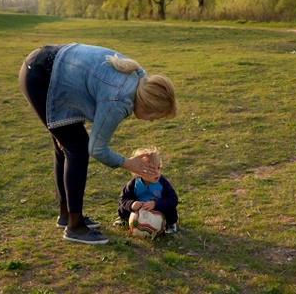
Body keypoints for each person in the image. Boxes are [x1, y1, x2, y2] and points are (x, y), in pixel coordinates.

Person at [18, 43, 177, 245]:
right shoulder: (119, 101)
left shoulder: (144, 81)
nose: (152, 121)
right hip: (41, 76)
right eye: (155, 116)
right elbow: (97, 149)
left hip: (45, 64)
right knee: (77, 148)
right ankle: (74, 227)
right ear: (147, 104)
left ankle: (67, 215)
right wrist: (128, 163)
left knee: (68, 145)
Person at [114, 147, 179, 234]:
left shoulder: (163, 183)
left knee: (169, 208)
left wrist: (156, 204)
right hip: (139, 211)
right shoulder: (134, 184)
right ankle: (123, 219)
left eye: (159, 168)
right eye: (151, 170)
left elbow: (173, 199)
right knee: (123, 207)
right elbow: (123, 199)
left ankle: (170, 224)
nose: (157, 172)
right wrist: (131, 204)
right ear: (138, 171)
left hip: (158, 210)